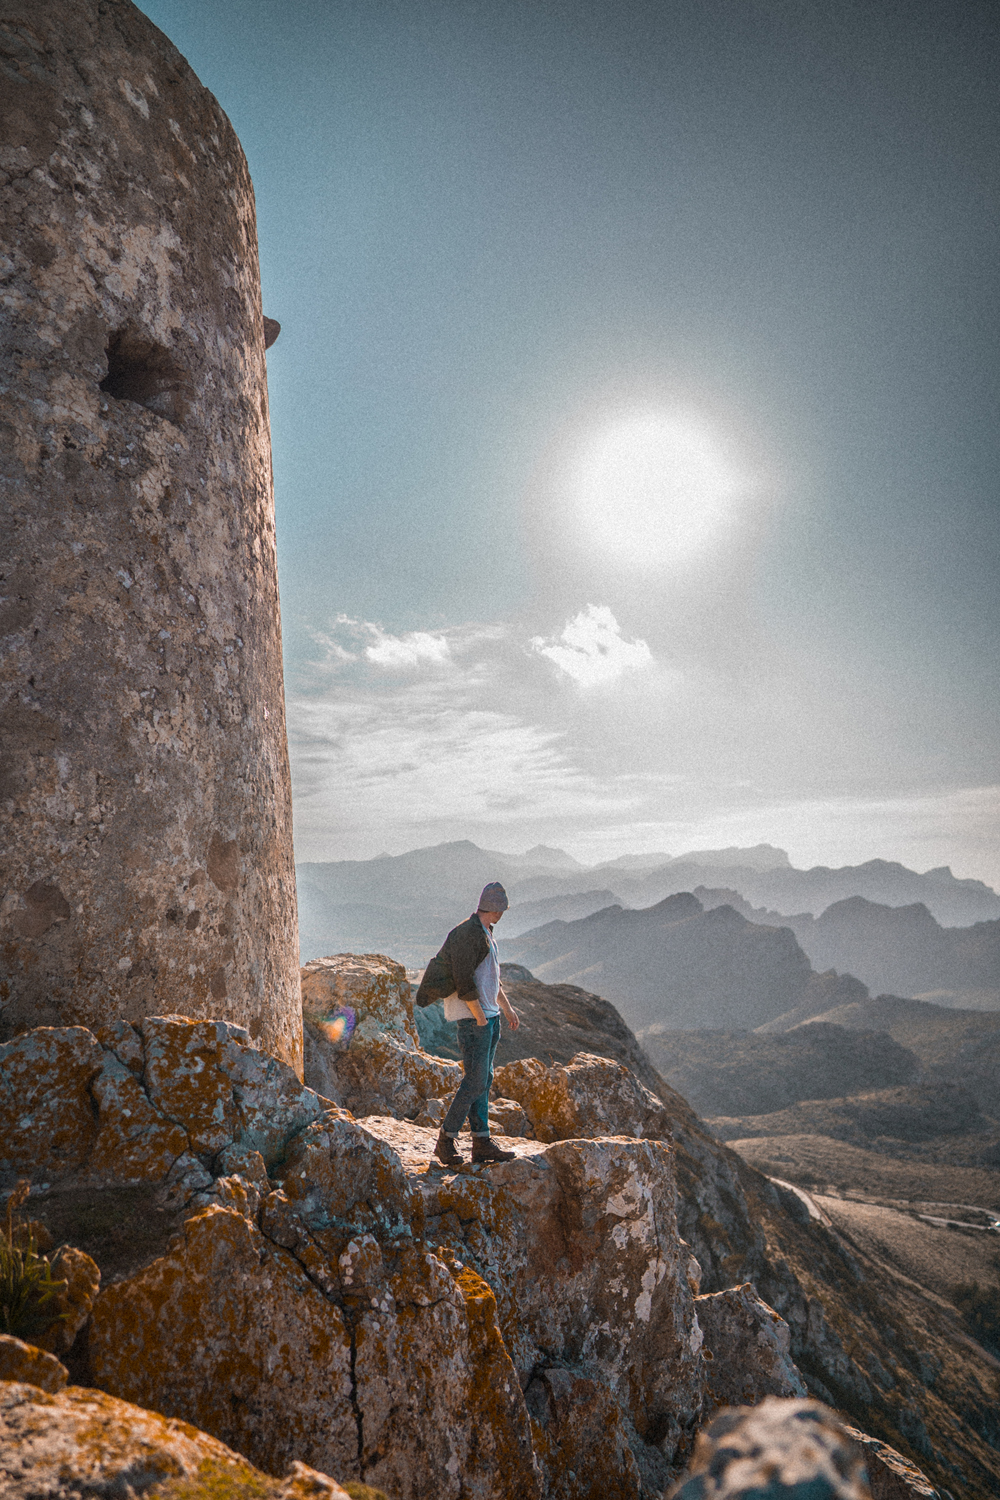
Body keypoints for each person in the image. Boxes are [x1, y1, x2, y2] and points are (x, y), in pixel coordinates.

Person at [433, 881, 521, 1167]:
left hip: (489, 1018)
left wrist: (506, 1010)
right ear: (494, 908)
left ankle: (481, 1142)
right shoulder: (468, 935)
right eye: (502, 909)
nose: (503, 914)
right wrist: (481, 1017)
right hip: (475, 1021)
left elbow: (492, 981)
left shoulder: (486, 934)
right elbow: (463, 980)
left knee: (484, 1080)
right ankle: (445, 1140)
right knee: (474, 1082)